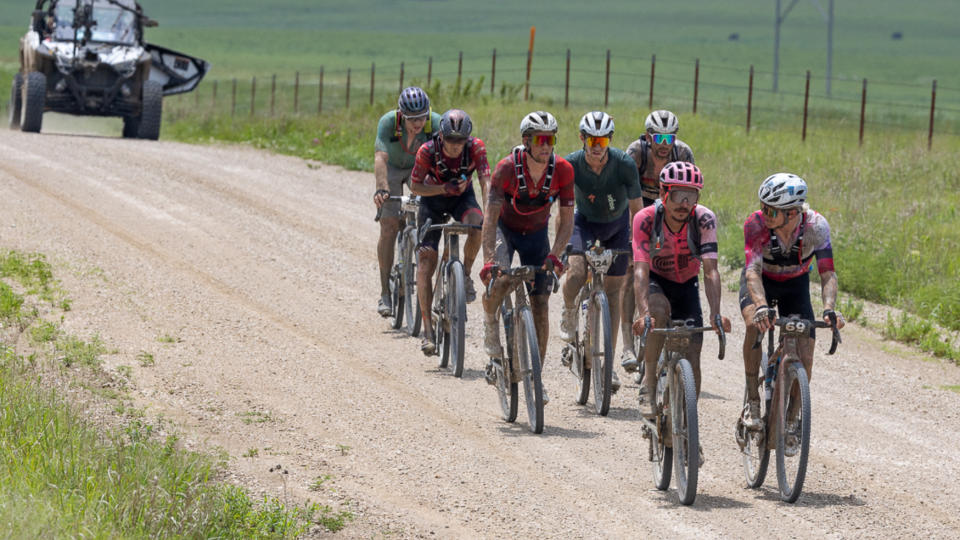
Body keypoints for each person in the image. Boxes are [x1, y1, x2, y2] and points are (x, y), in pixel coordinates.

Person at [739, 173, 845, 441]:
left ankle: (793, 417)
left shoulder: (816, 227)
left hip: (795, 284)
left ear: (794, 212)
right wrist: (761, 306)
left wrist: (829, 308)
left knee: (806, 351)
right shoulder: (755, 224)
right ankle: (752, 401)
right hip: (761, 281)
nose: (764, 214)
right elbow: (752, 272)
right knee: (754, 323)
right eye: (763, 206)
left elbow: (827, 273)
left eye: (771, 210)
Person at [479, 111, 575, 404]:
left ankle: (536, 377)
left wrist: (555, 256)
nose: (545, 145)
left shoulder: (563, 170)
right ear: (526, 140)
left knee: (541, 302)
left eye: (550, 139)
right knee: (501, 281)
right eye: (539, 139)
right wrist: (489, 261)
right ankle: (491, 327)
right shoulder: (506, 168)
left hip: (535, 235)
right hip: (505, 232)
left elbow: (567, 219)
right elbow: (490, 219)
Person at [631, 162, 730, 413]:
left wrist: (715, 312)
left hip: (686, 284)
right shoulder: (645, 219)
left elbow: (710, 270)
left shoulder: (703, 219)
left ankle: (687, 428)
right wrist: (643, 313)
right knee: (657, 311)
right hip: (655, 280)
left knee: (693, 356)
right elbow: (640, 270)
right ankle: (649, 383)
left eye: (691, 196)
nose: (684, 203)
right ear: (664, 193)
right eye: (677, 195)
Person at [559, 111, 643, 393]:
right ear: (583, 138)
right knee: (576, 274)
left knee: (614, 291)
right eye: (593, 140)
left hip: (616, 227)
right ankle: (570, 310)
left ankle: (607, 364)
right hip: (582, 223)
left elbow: (637, 212)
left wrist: (637, 245)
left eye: (603, 140)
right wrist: (561, 247)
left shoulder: (624, 164)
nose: (598, 146)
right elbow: (563, 209)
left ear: (610, 140)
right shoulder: (570, 164)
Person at [620, 110, 696, 372]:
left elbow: (692, 192)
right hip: (636, 206)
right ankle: (627, 345)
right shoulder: (636, 153)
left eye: (670, 138)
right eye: (659, 138)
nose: (664, 145)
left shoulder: (683, 153)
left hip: (669, 208)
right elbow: (626, 192)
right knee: (632, 268)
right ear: (648, 136)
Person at [409, 109, 490, 355]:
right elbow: (415, 185)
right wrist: (443, 187)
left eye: (460, 141)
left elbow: (487, 181)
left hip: (462, 199)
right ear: (441, 136)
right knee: (426, 261)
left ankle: (464, 274)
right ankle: (427, 331)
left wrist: (490, 216)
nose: (455, 146)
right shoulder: (427, 151)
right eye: (451, 140)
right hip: (432, 200)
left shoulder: (476, 148)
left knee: (478, 223)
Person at [372, 87, 443, 318]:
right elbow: (380, 158)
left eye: (422, 117)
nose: (418, 123)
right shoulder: (388, 123)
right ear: (402, 115)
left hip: (417, 168)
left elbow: (442, 158)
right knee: (389, 225)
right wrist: (382, 188)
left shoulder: (436, 123)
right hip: (392, 167)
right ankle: (385, 292)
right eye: (412, 119)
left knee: (424, 216)